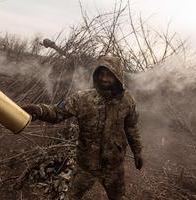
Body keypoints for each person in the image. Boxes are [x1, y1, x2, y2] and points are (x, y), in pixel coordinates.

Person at [22, 55, 143, 200]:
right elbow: (56, 112)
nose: (104, 79)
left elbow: (131, 127)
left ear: (118, 76)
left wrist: (138, 152)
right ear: (96, 75)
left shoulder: (127, 101)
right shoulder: (83, 98)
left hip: (114, 167)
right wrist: (40, 111)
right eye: (101, 74)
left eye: (109, 75)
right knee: (71, 197)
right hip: (86, 166)